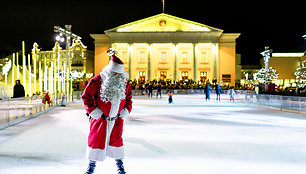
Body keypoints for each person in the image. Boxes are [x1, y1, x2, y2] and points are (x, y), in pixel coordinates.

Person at [82, 49, 133, 174]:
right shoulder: (97, 80)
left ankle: (120, 165)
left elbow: (129, 99)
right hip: (100, 120)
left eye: (119, 74)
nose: (117, 76)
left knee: (117, 142)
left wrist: (125, 111)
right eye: (114, 73)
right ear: (110, 71)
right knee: (95, 142)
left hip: (116, 120)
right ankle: (91, 166)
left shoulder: (124, 83)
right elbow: (86, 96)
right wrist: (95, 112)